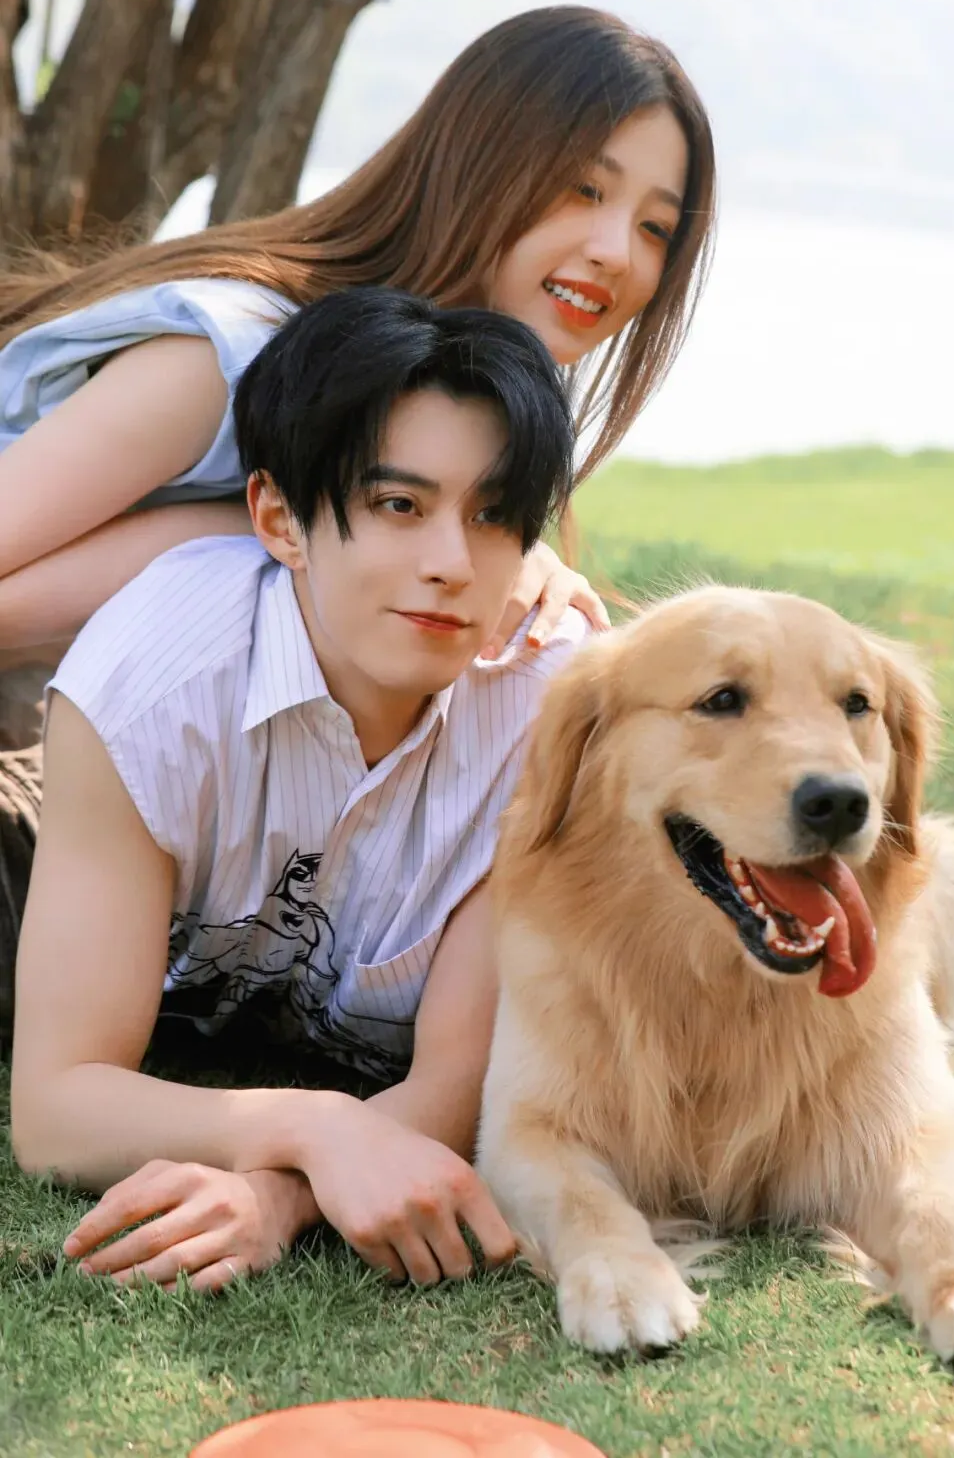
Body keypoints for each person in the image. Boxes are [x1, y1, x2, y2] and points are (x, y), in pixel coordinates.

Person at [10, 285, 583, 1293]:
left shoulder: (551, 719)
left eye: (494, 516)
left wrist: (278, 1198)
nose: (452, 564)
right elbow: (57, 1109)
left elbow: (457, 1087)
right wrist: (312, 1126)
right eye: (399, 506)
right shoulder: (151, 679)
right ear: (279, 518)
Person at [0, 5, 715, 670]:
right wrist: (292, 526)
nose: (617, 254)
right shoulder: (222, 359)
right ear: (477, 164)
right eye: (584, 189)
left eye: (656, 227)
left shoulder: (458, 416)